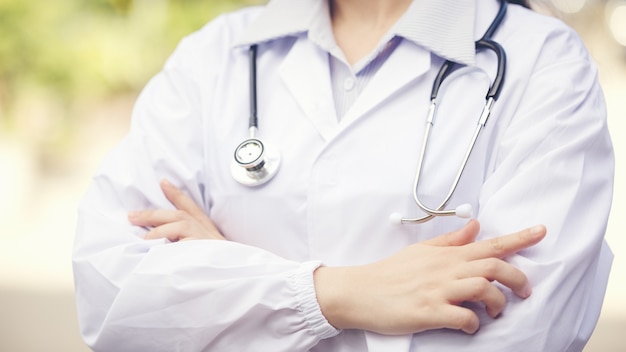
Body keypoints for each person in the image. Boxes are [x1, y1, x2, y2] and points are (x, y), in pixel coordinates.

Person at [72, 0, 614, 351]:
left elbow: (527, 329)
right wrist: (338, 294)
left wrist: (227, 280)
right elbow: (114, 292)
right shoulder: (213, 58)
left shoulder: (543, 62)